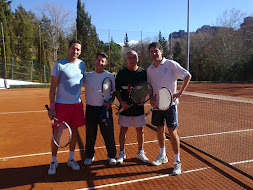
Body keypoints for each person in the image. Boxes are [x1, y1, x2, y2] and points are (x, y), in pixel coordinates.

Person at [147, 42, 191, 175]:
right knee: (159, 130)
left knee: (172, 132)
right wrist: (151, 98)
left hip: (170, 105)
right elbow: (150, 86)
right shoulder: (149, 70)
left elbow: (187, 75)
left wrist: (180, 93)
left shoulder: (171, 64)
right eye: (152, 52)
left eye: (156, 51)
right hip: (157, 106)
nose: (154, 53)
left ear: (161, 51)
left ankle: (177, 162)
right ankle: (162, 156)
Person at [47, 39, 86, 175]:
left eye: (78, 49)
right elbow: (53, 87)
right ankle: (53, 161)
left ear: (80, 51)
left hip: (77, 105)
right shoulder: (59, 66)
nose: (75, 51)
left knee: (74, 133)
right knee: (57, 135)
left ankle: (71, 159)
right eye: (73, 48)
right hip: (62, 105)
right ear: (69, 48)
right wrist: (52, 107)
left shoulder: (82, 64)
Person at [115, 50, 149, 164]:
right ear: (126, 60)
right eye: (129, 57)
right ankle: (121, 152)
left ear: (137, 59)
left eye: (134, 57)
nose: (132, 60)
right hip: (125, 108)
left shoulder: (143, 73)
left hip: (138, 108)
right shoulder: (121, 74)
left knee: (140, 130)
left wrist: (143, 99)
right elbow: (117, 91)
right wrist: (122, 102)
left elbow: (147, 88)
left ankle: (140, 152)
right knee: (123, 130)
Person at [83, 52, 117, 166]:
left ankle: (111, 156)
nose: (100, 63)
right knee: (90, 134)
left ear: (105, 63)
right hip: (90, 110)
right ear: (94, 61)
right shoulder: (87, 76)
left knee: (108, 134)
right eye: (98, 60)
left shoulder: (110, 76)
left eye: (102, 61)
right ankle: (89, 156)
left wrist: (110, 102)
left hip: (105, 110)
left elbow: (114, 92)